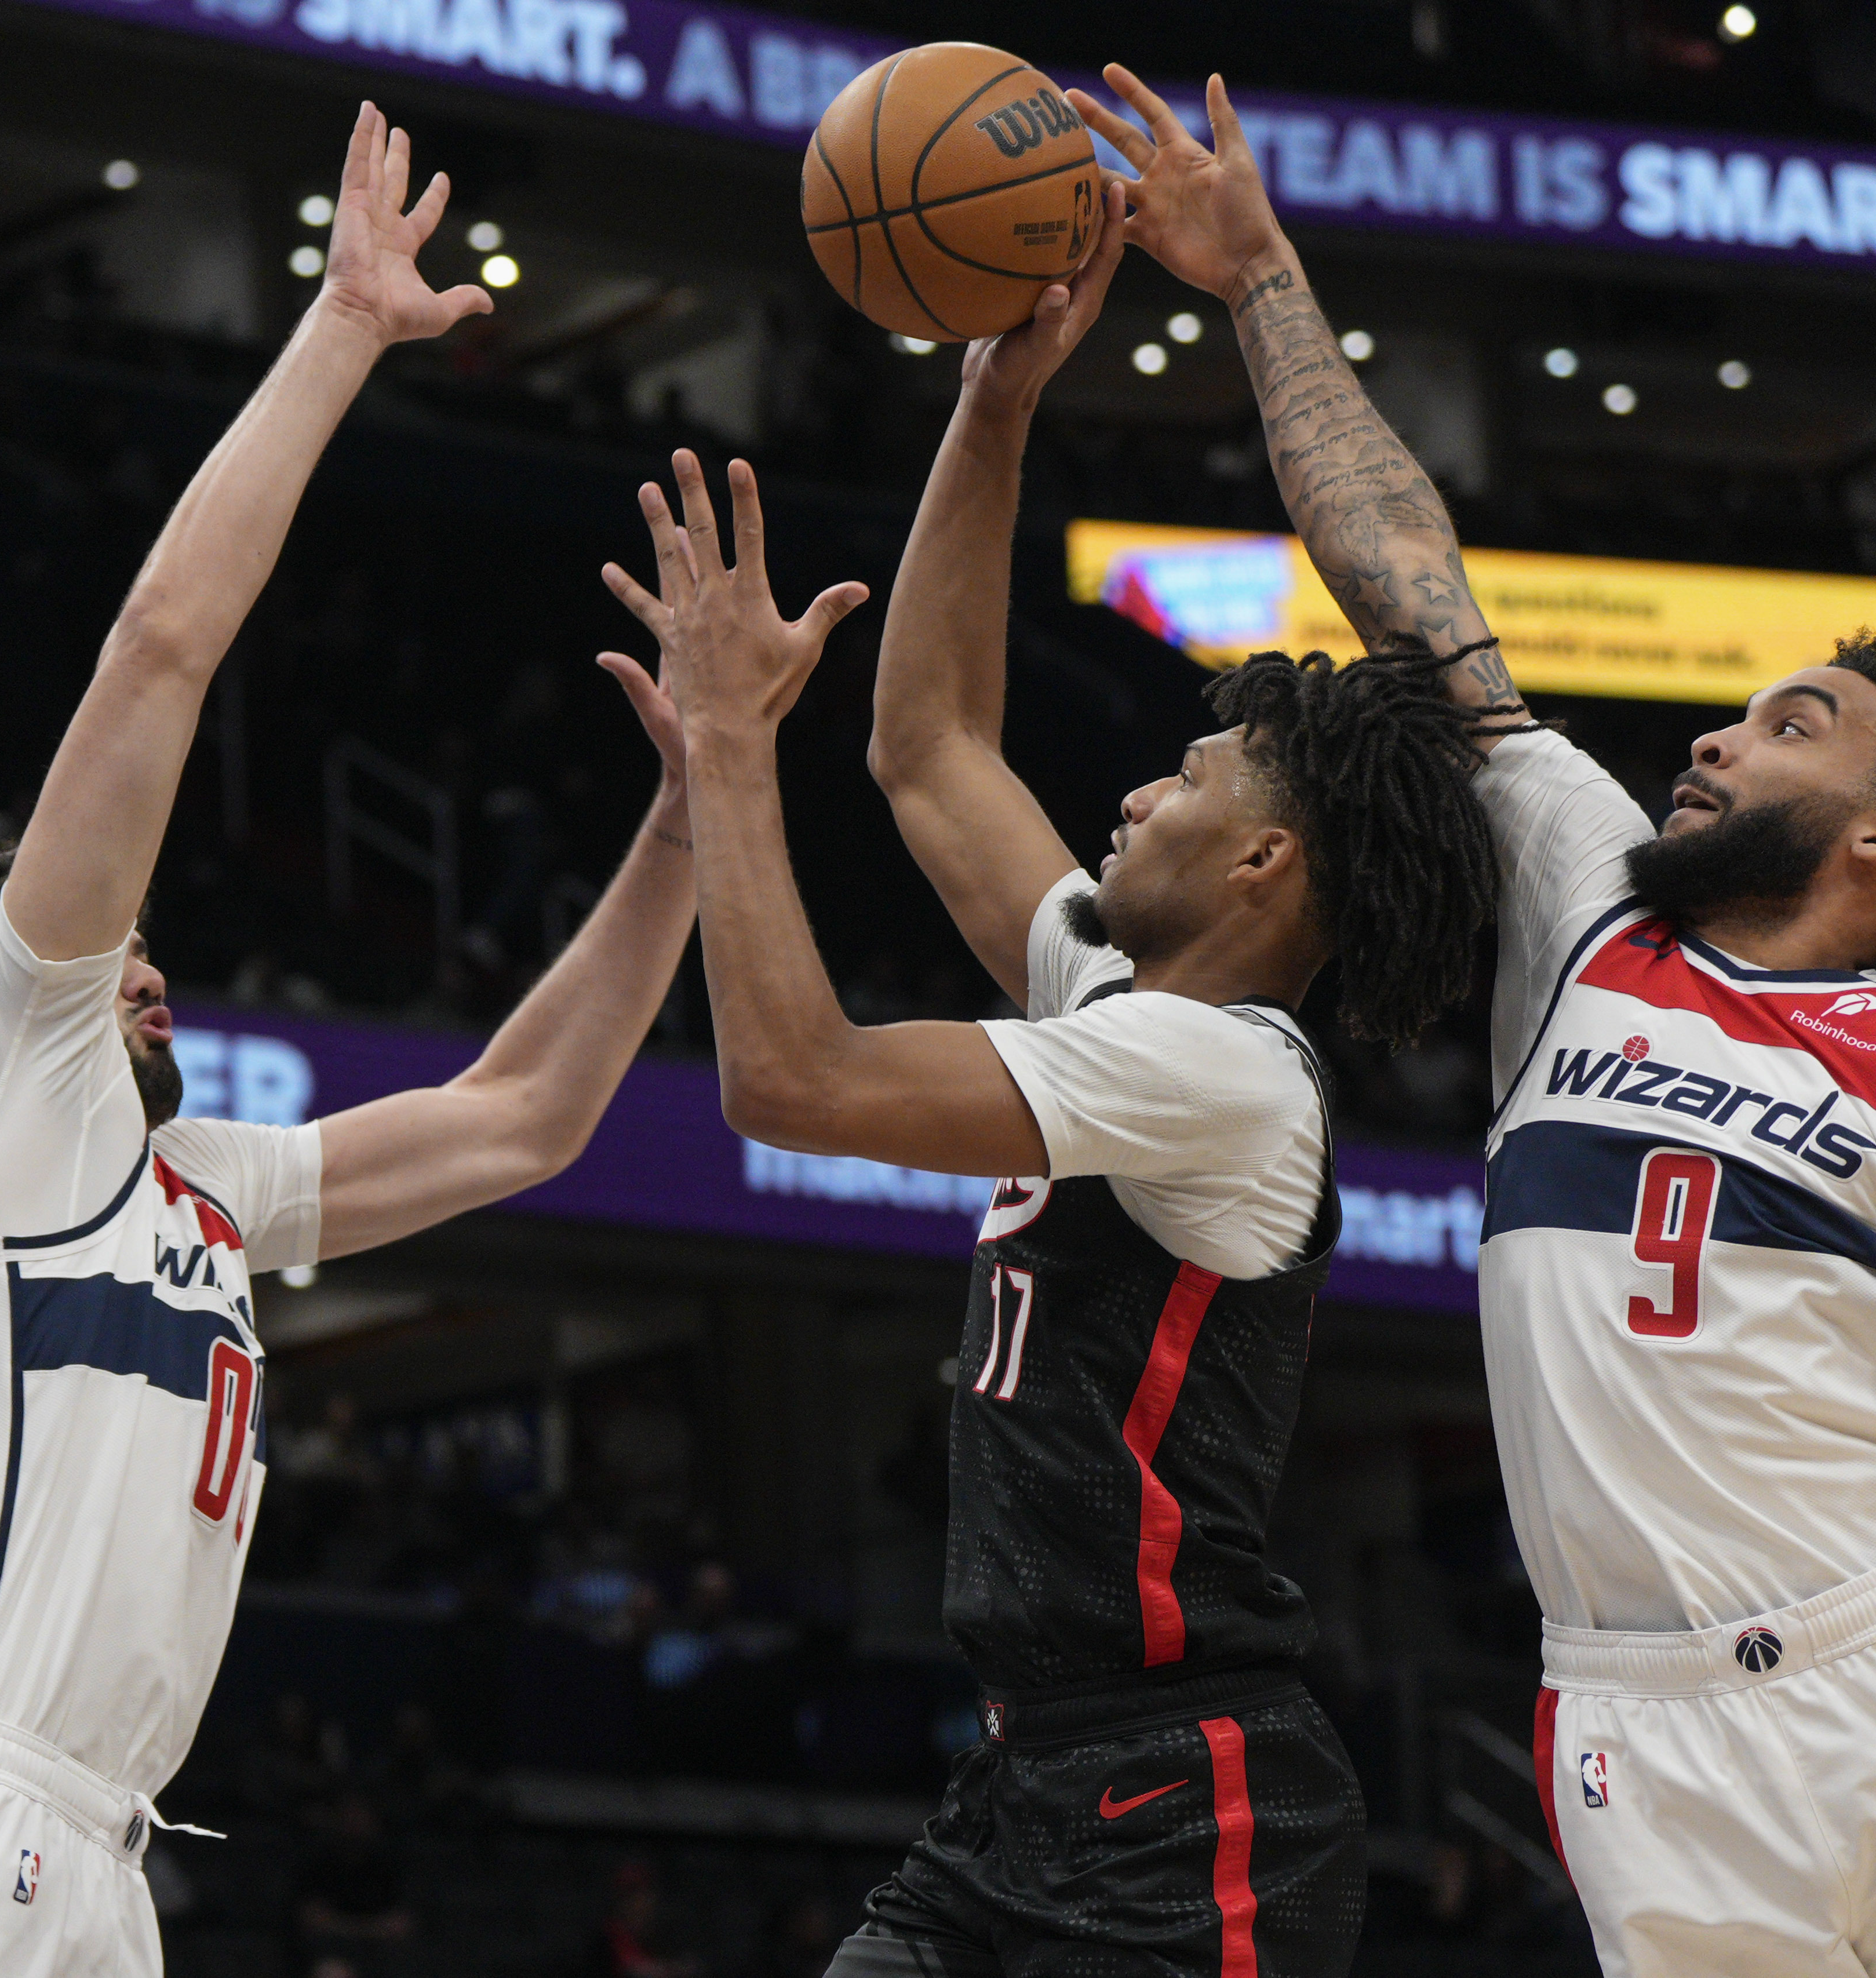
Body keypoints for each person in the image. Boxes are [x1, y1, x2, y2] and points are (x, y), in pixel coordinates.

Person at [1073, 63, 1876, 1978]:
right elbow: (1403, 579)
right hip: (1639, 1731)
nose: (1714, 736)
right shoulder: (1584, 902)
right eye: (1740, 711)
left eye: (1786, 727)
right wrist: (1259, 279)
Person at [0, 104, 701, 1978]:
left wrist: (705, 805)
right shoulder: (7, 1100)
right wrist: (343, 329)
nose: (148, 974)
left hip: (103, 1855)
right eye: (114, 962)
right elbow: (158, 656)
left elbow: (526, 1118)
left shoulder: (186, 1190)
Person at [598, 188, 1504, 1978]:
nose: (1139, 798)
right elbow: (927, 746)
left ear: (1268, 874)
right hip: (1031, 1786)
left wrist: (721, 747)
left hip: (1186, 1814)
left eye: (1188, 784)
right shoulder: (1124, 997)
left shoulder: (1217, 1076)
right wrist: (996, 398)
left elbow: (789, 1081)